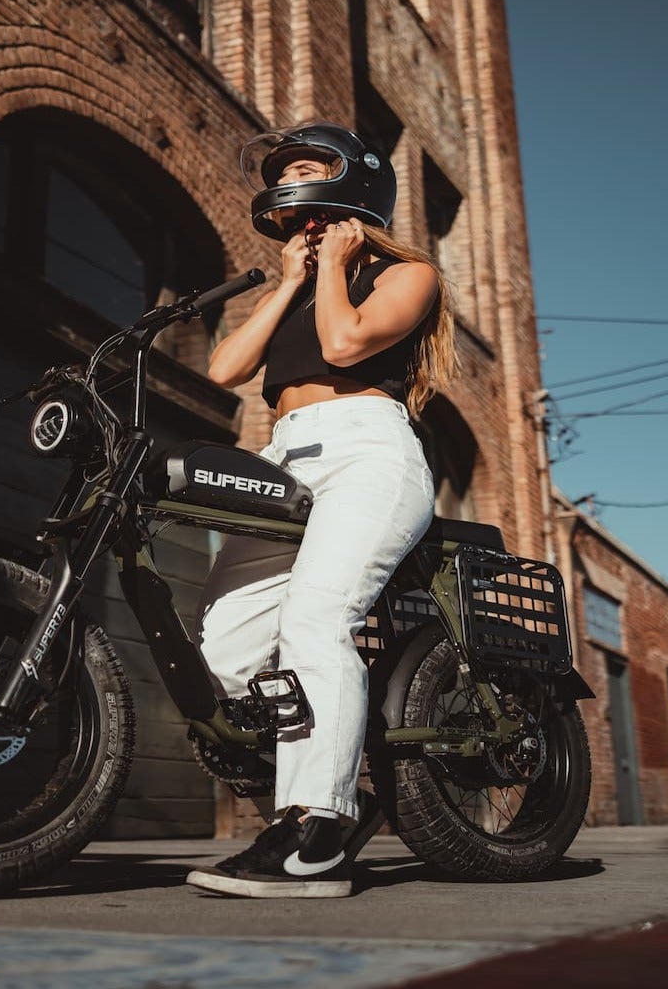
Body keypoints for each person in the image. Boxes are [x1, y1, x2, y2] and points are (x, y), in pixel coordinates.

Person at [183, 121, 456, 899]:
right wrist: (289, 284)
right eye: (287, 171)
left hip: (368, 449)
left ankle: (317, 826)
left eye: (307, 165)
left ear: (352, 182)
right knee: (228, 653)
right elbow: (228, 366)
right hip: (285, 457)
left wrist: (336, 265)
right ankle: (329, 790)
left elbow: (344, 348)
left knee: (317, 618)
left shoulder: (409, 277)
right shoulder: (304, 287)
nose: (294, 181)